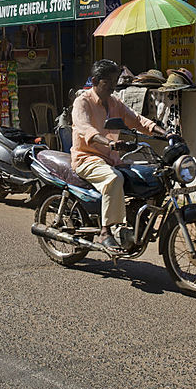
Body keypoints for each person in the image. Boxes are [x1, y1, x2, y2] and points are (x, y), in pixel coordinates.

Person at [70, 59, 168, 252]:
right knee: (114, 179)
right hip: (86, 158)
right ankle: (105, 232)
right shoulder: (82, 101)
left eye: (115, 81)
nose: (114, 87)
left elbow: (137, 120)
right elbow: (85, 128)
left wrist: (166, 133)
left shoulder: (114, 102)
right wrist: (110, 142)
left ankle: (134, 219)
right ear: (97, 80)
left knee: (151, 176)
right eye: (109, 82)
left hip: (111, 159)